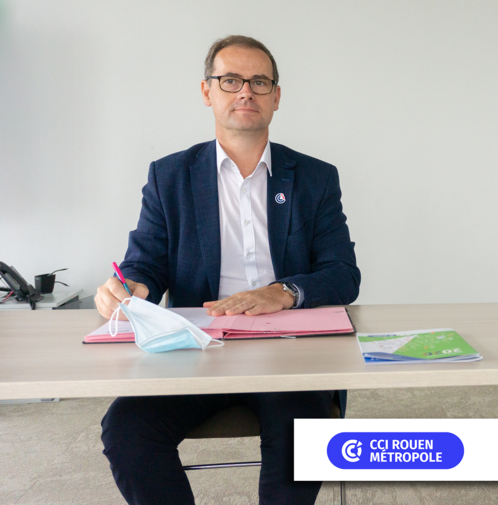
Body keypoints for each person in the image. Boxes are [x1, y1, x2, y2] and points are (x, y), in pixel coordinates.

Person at [95, 35, 360, 505]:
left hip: (289, 353)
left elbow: (343, 274)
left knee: (301, 433)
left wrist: (282, 291)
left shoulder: (316, 177)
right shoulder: (170, 175)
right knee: (126, 430)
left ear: (277, 96)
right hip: (197, 353)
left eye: (260, 82)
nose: (246, 93)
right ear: (207, 91)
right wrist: (129, 287)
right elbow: (145, 263)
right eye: (231, 80)